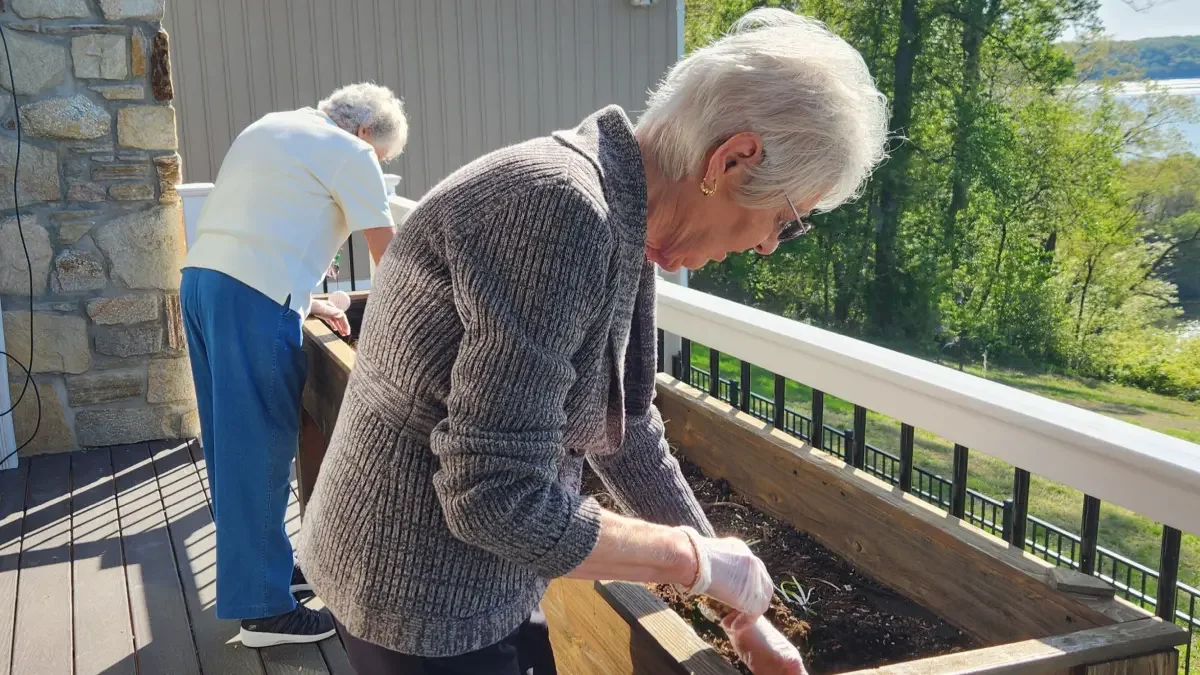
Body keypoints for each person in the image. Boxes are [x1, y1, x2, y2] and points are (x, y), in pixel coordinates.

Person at [302, 10, 887, 675]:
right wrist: (693, 562)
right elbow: (493, 495)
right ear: (732, 158)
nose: (765, 244)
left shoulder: (622, 213)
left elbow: (624, 426)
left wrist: (738, 609)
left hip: (483, 579)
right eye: (783, 219)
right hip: (418, 595)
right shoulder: (559, 209)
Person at [180, 83, 407, 648]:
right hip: (253, 301)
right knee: (261, 449)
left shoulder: (272, 125)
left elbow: (272, 221)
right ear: (364, 135)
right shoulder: (351, 153)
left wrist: (310, 296)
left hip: (203, 285)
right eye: (381, 158)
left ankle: (269, 574)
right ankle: (264, 611)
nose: (375, 168)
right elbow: (394, 260)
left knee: (232, 446)